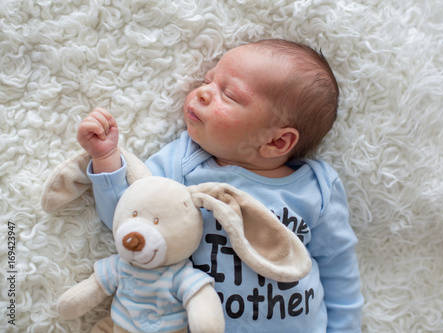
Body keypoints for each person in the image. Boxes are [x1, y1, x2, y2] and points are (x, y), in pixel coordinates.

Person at [77, 39, 363, 332]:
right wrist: (107, 159)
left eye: (228, 94)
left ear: (277, 142)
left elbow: (339, 271)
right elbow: (130, 217)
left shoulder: (317, 187)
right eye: (208, 80)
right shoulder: (184, 163)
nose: (202, 93)